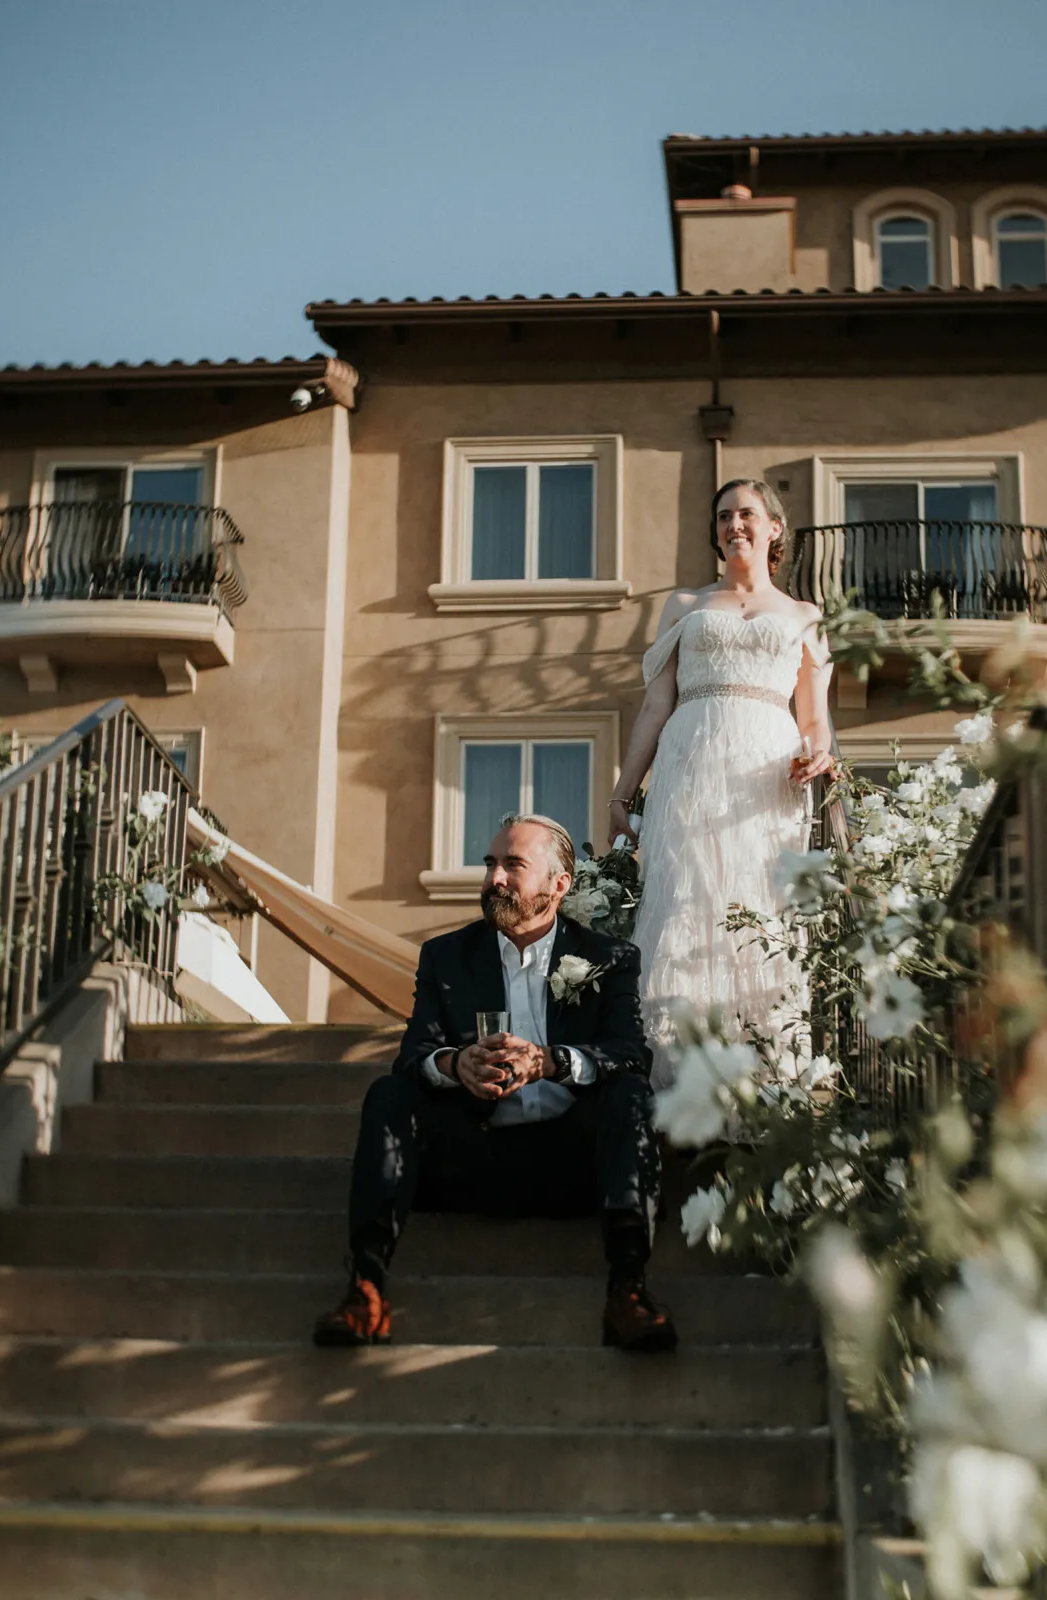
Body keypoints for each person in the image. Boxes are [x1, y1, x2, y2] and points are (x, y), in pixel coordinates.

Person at [313, 813, 676, 1352]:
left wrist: (552, 1062)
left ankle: (629, 1289)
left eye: (513, 865)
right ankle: (365, 1287)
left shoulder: (608, 958)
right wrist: (452, 1065)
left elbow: (628, 1055)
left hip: (574, 1165)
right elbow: (413, 1055)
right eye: (490, 865)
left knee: (630, 1095)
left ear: (559, 885)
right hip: (472, 1159)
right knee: (388, 1095)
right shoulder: (446, 956)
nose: (494, 879)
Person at [611, 479, 834, 1089]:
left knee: (760, 909)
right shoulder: (684, 605)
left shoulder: (805, 616)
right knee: (687, 901)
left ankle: (761, 1077)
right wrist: (623, 795)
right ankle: (681, 1080)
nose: (734, 524)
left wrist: (820, 757)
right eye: (723, 516)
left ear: (774, 529)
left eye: (746, 514)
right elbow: (656, 705)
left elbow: (814, 720)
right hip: (689, 766)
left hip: (766, 775)